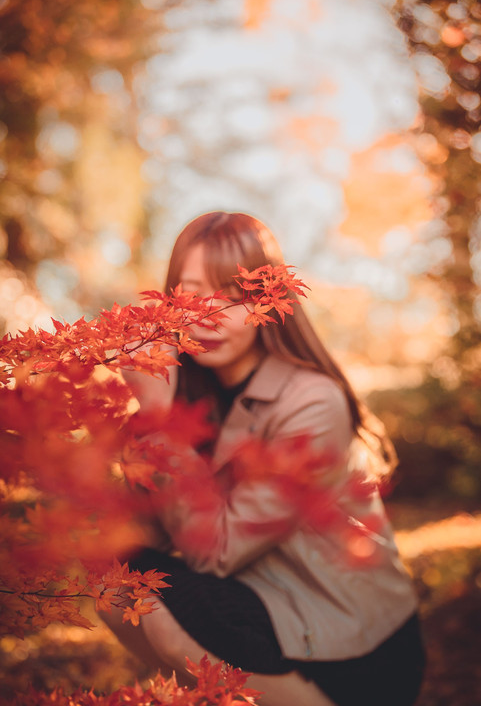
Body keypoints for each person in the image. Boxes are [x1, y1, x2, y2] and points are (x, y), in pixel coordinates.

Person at [102, 211, 425, 706]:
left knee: (162, 613)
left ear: (270, 305)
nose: (208, 314)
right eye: (192, 292)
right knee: (115, 582)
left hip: (354, 648)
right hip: (264, 610)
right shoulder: (185, 392)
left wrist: (163, 423)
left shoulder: (312, 401)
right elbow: (147, 532)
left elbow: (216, 552)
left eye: (232, 298)